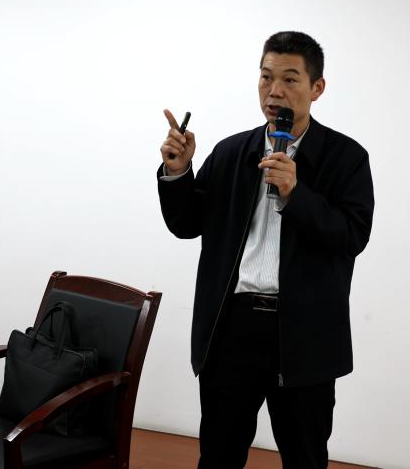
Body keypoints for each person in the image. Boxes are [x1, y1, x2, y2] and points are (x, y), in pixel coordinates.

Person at [157, 31, 374, 469]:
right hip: (231, 328)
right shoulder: (232, 152)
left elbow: (352, 235)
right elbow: (186, 224)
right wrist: (178, 172)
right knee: (218, 455)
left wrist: (297, 194)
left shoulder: (346, 158)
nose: (275, 91)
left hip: (304, 333)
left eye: (290, 79)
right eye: (266, 77)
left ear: (317, 88)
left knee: (304, 456)